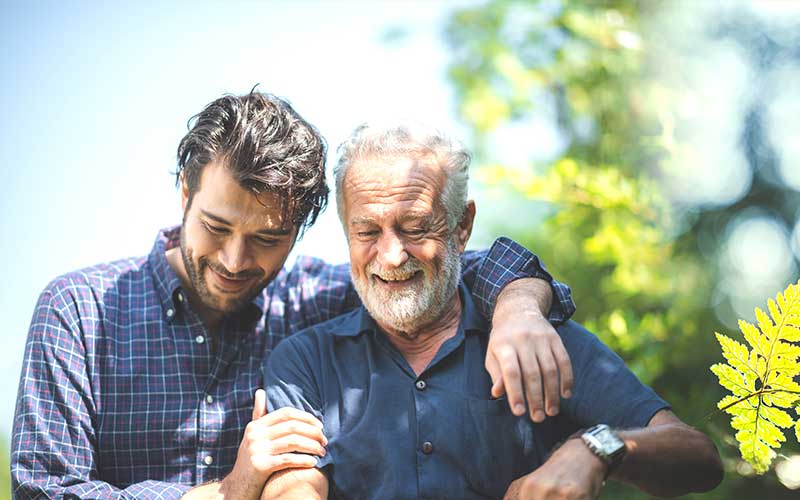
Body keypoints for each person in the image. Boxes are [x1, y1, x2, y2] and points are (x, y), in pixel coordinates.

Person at [11, 92, 577, 499]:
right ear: (184, 193)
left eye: (266, 239)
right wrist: (224, 494)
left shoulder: (319, 297)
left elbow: (447, 264)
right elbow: (42, 490)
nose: (235, 260)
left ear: (301, 230)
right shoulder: (77, 311)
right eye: (215, 226)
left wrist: (518, 306)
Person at [263, 122, 724, 499]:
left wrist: (594, 449)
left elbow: (698, 459)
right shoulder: (305, 361)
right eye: (366, 232)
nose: (391, 255)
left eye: (416, 227)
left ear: (462, 227)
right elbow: (294, 486)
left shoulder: (537, 340)